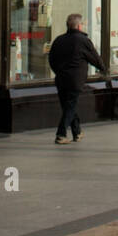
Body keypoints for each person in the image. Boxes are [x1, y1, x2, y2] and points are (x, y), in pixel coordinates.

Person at [47, 13, 105, 144]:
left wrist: (58, 72)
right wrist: (103, 68)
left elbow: (51, 59)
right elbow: (95, 58)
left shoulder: (58, 40)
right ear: (79, 26)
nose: (84, 26)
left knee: (68, 106)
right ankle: (61, 134)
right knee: (70, 106)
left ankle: (77, 132)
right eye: (83, 24)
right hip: (75, 80)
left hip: (61, 79)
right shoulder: (83, 40)